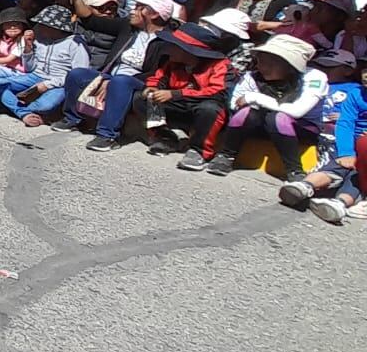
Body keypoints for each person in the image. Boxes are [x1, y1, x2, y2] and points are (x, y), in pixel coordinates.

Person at [51, 0, 177, 150]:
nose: (132, 10)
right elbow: (92, 21)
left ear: (155, 14)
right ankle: (73, 119)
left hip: (140, 82)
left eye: (139, 8)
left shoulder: (167, 41)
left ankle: (107, 135)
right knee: (77, 74)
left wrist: (113, 81)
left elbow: (157, 74)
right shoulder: (128, 27)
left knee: (121, 81)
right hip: (112, 75)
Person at [205, 35, 327, 180]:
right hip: (259, 123)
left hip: (301, 128)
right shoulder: (252, 76)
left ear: (290, 65)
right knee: (246, 113)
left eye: (271, 63)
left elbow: (297, 111)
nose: (262, 67)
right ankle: (226, 156)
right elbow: (235, 103)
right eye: (261, 61)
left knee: (279, 118)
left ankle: (295, 171)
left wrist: (256, 98)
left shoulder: (314, 78)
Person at [134, 22, 230, 171]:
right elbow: (159, 77)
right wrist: (153, 87)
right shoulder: (172, 61)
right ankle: (166, 137)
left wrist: (176, 94)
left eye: (175, 45)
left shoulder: (219, 65)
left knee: (210, 109)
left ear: (189, 51)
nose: (169, 48)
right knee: (142, 99)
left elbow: (217, 92)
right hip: (178, 104)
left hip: (204, 107)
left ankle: (199, 152)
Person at [284, 51, 367, 221]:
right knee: (336, 166)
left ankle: (340, 203)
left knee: (357, 175)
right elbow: (345, 123)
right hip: (351, 142)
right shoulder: (356, 94)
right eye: (365, 70)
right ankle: (304, 186)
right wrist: (346, 152)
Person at [0, 6, 90, 125]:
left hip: (59, 83)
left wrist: (48, 84)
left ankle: (18, 107)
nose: (39, 27)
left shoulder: (75, 44)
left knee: (44, 106)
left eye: (43, 25)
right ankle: (24, 113)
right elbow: (30, 67)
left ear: (54, 27)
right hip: (35, 76)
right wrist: (28, 48)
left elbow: (79, 75)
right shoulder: (39, 38)